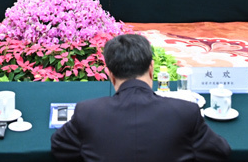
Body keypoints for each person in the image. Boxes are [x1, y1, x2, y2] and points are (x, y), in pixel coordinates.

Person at [51, 34, 231, 162]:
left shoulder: (87, 112)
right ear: (151, 68)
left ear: (110, 74)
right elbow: (220, 152)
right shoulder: (186, 112)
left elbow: (59, 146)